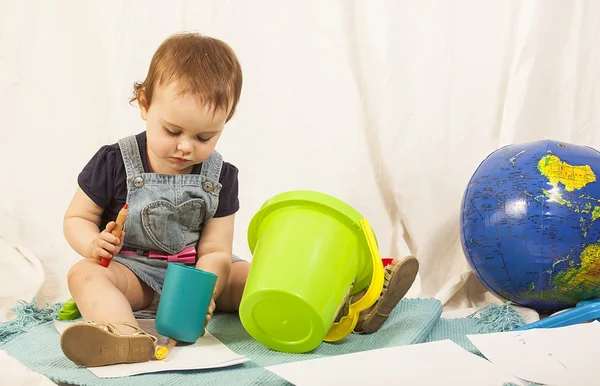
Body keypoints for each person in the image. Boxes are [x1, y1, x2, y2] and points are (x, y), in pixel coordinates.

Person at [59, 31, 419, 368]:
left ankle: (350, 308)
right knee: (85, 275)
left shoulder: (220, 176)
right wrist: (93, 243)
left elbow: (216, 250)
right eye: (172, 131)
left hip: (198, 273)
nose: (186, 147)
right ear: (144, 104)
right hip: (132, 273)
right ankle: (123, 335)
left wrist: (206, 292)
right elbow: (76, 218)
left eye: (204, 137)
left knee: (266, 279)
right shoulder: (114, 161)